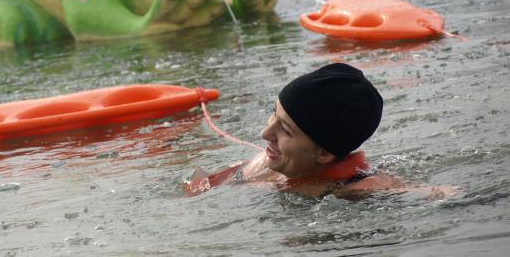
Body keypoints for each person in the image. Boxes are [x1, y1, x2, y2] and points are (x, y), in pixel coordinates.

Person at [184, 63, 456, 199]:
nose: (265, 133)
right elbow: (196, 189)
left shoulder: (360, 189)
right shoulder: (264, 164)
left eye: (285, 129)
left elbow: (439, 193)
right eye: (273, 113)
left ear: (324, 153)